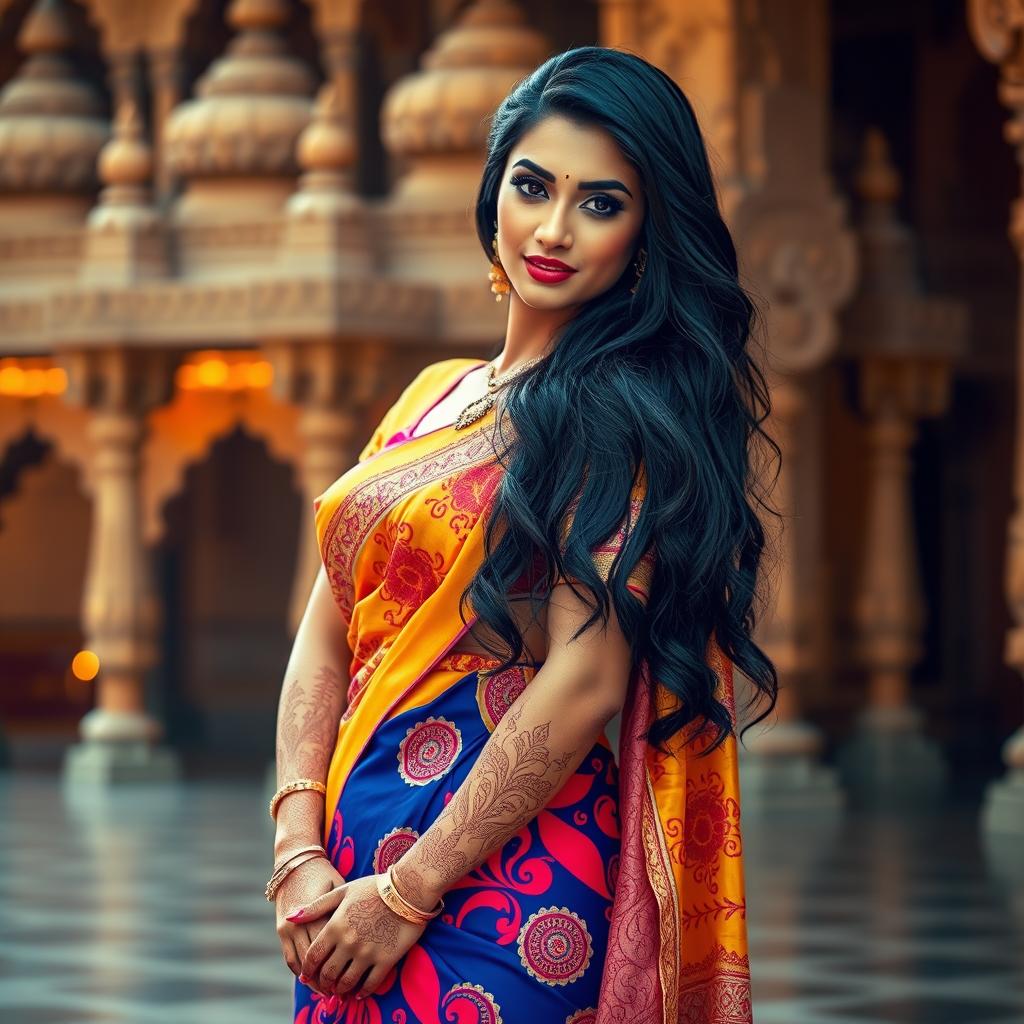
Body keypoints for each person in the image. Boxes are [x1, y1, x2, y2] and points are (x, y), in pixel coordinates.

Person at [270, 45, 778, 1024]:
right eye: (532, 186)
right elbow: (324, 628)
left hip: (506, 887)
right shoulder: (431, 396)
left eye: (599, 202)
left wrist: (411, 891)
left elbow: (585, 679)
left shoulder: (614, 416)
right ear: (492, 190)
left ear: (646, 233)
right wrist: (296, 844)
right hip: (345, 869)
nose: (552, 229)